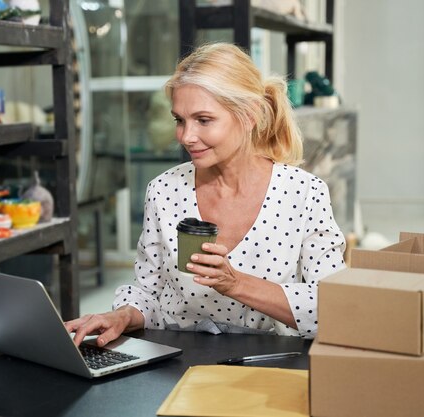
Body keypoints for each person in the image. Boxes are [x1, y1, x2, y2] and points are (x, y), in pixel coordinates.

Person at [65, 42, 346, 347]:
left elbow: (334, 306)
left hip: (267, 362)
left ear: (249, 114)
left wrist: (235, 284)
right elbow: (147, 291)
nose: (186, 136)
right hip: (176, 359)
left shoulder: (304, 194)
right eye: (179, 120)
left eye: (203, 120)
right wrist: (123, 314)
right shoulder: (164, 190)